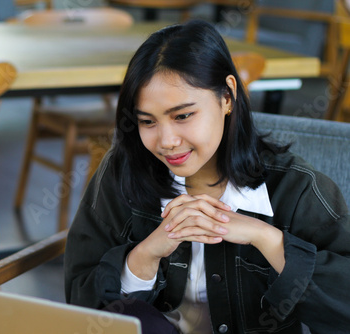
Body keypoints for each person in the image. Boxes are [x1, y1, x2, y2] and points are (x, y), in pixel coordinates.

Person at [64, 20, 350, 334]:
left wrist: (267, 239)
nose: (167, 140)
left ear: (227, 96)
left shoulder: (296, 189)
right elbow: (81, 305)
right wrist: (145, 255)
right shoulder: (123, 174)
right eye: (147, 121)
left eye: (182, 116)